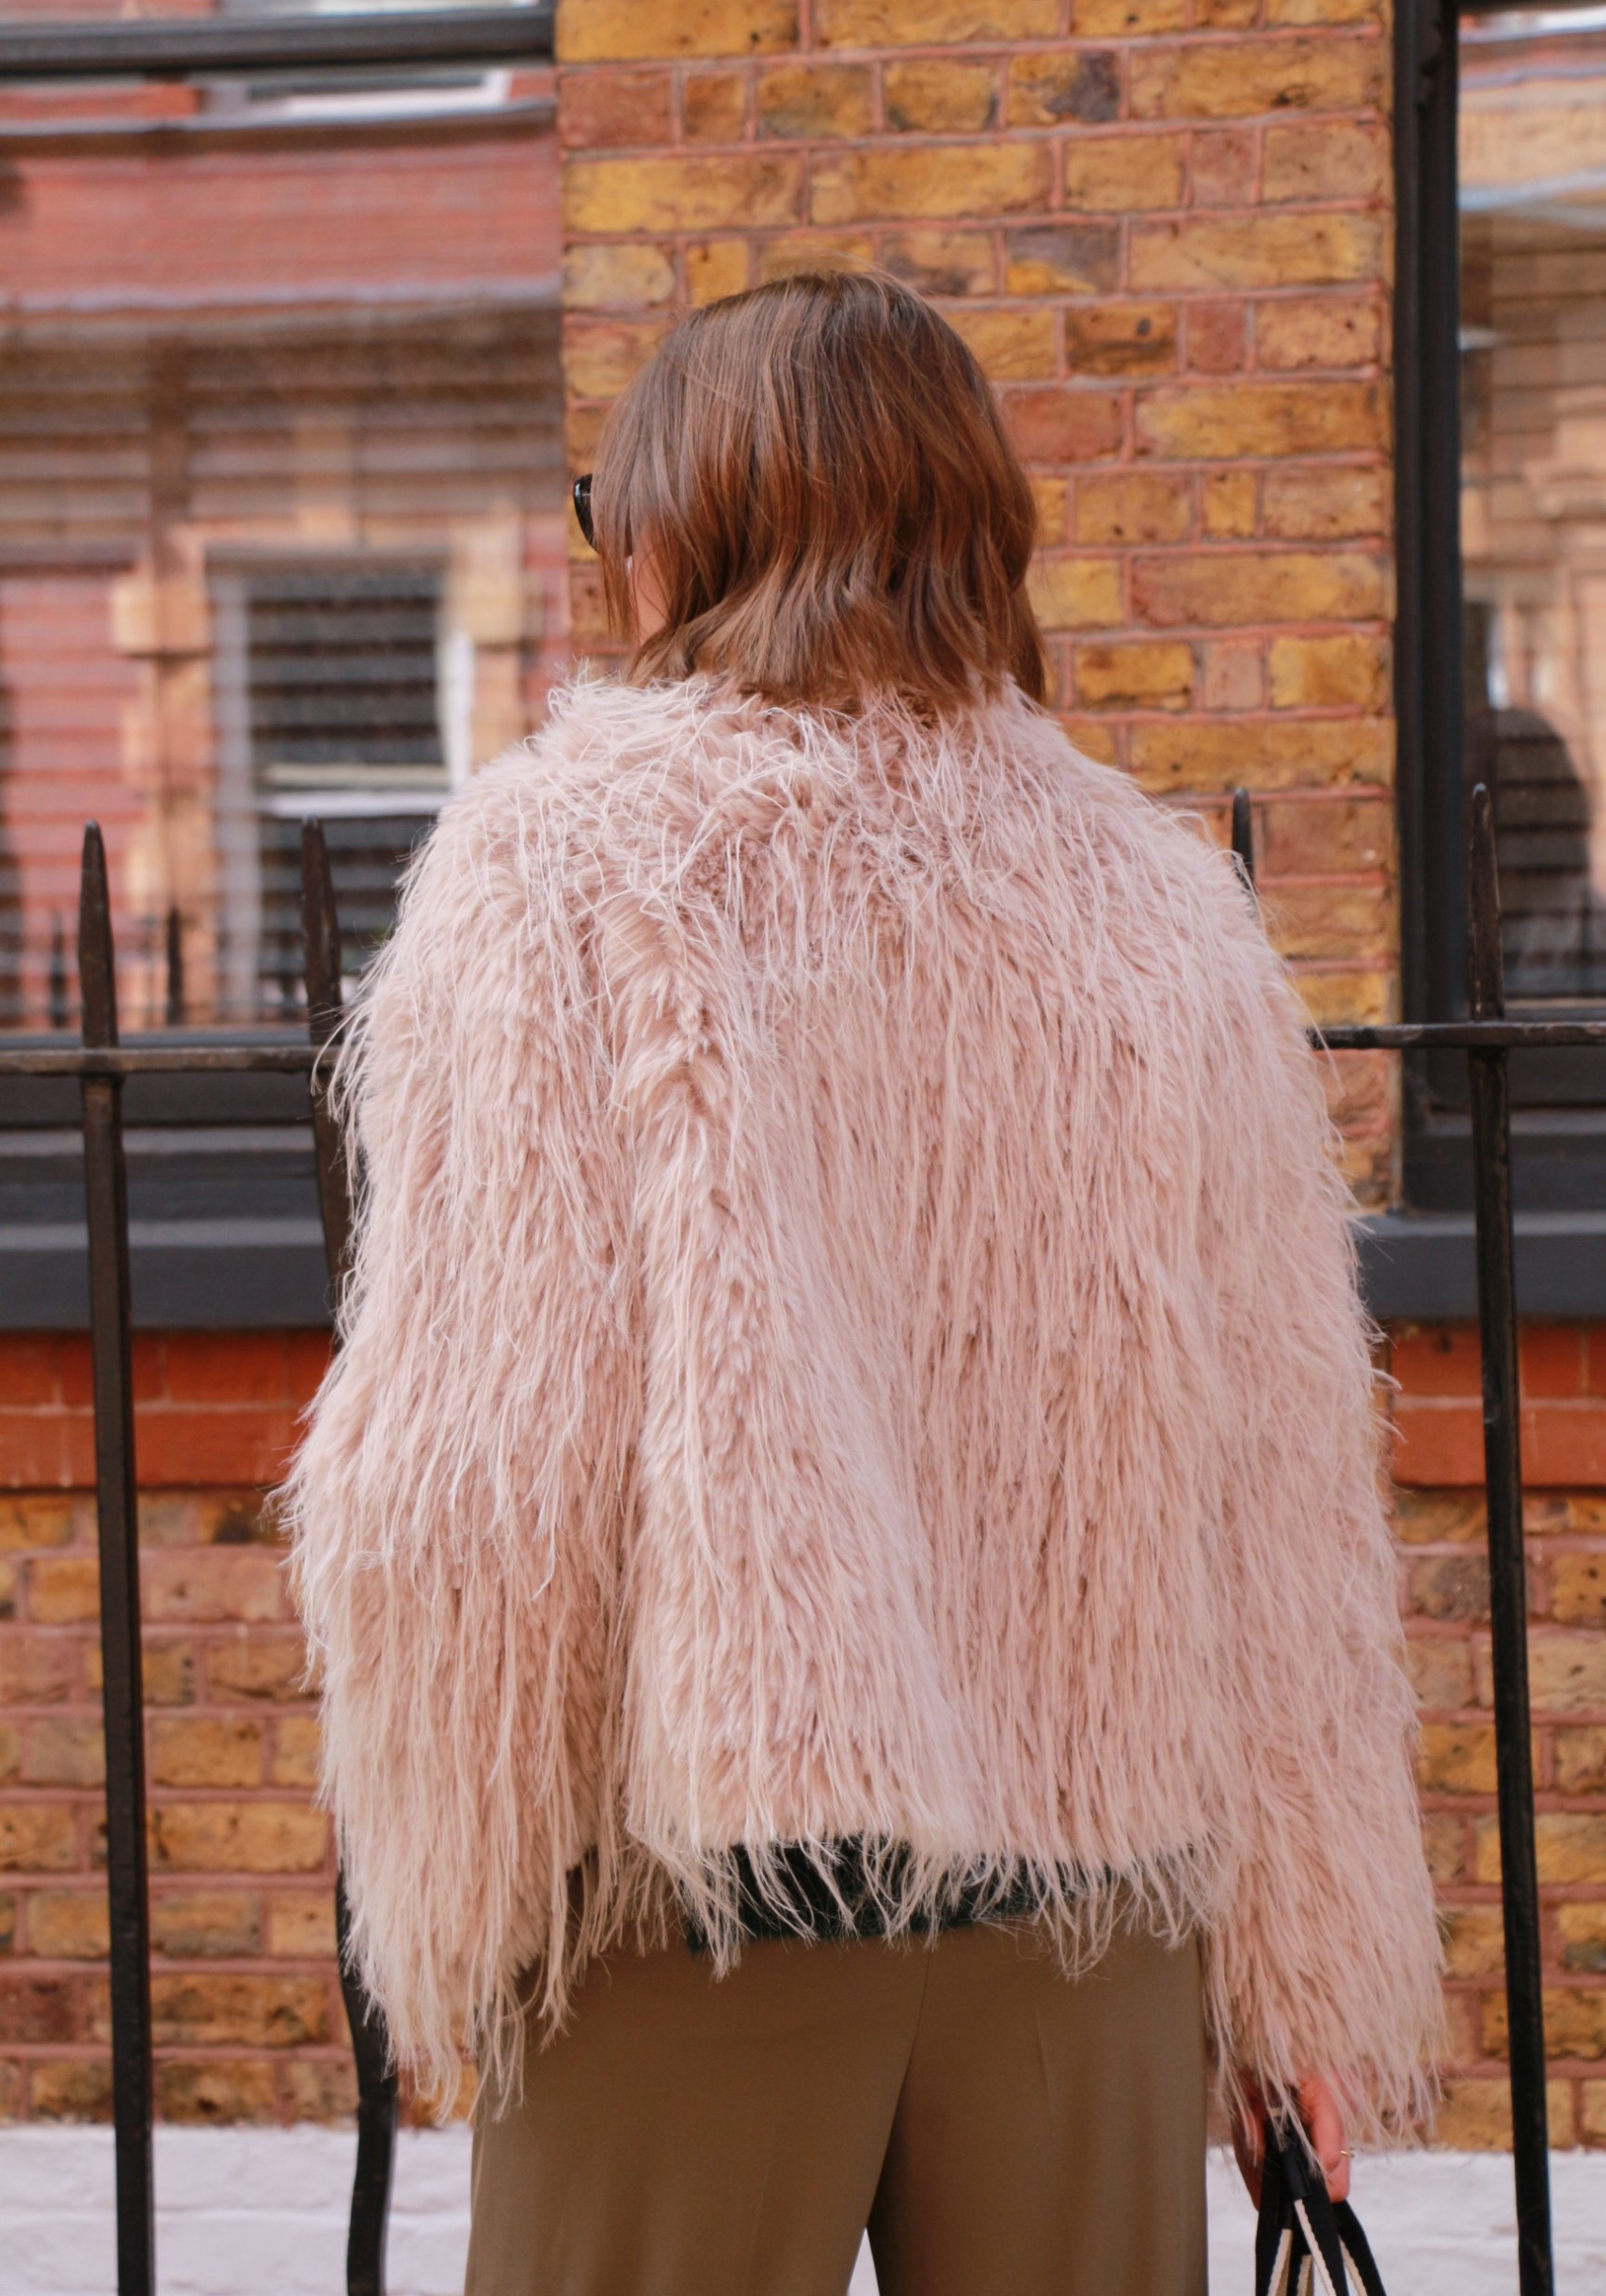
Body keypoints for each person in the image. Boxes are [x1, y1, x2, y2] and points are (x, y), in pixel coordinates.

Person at [285, 269, 1440, 2296]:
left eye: (607, 507)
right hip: (1091, 1909)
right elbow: (1281, 1494)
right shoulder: (1157, 903)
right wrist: (1293, 1988)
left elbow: (483, 1470)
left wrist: (465, 1888)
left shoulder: (567, 861)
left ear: (693, 520)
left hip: (697, 1893)